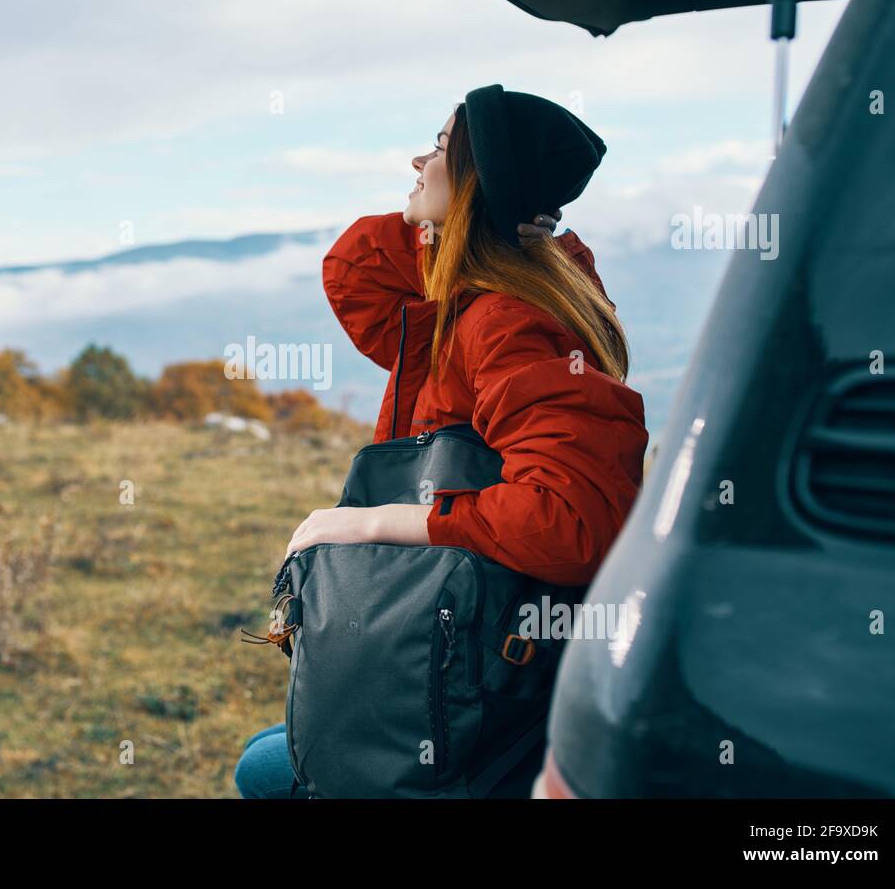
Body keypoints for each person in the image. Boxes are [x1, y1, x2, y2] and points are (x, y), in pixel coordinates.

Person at [235, 84, 648, 799]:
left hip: (500, 682)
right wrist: (461, 221)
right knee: (273, 752)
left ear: (476, 182)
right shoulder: (480, 291)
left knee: (268, 770)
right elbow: (358, 272)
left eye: (439, 147)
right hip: (479, 654)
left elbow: (573, 519)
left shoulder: (504, 320)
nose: (416, 159)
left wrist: (370, 522)